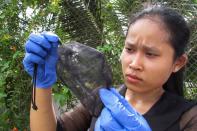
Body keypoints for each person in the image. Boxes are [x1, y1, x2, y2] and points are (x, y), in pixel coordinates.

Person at [23, 6, 197, 131]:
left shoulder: (189, 117)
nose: (135, 63)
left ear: (178, 63)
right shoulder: (103, 98)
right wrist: (41, 85)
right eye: (129, 49)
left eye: (150, 54)